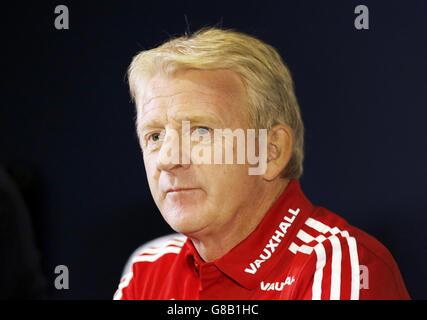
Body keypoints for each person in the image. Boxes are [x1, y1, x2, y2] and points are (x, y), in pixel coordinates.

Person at [113, 28, 410, 300]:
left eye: (201, 131)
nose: (167, 159)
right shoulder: (147, 270)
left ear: (271, 152)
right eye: (154, 136)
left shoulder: (342, 268)